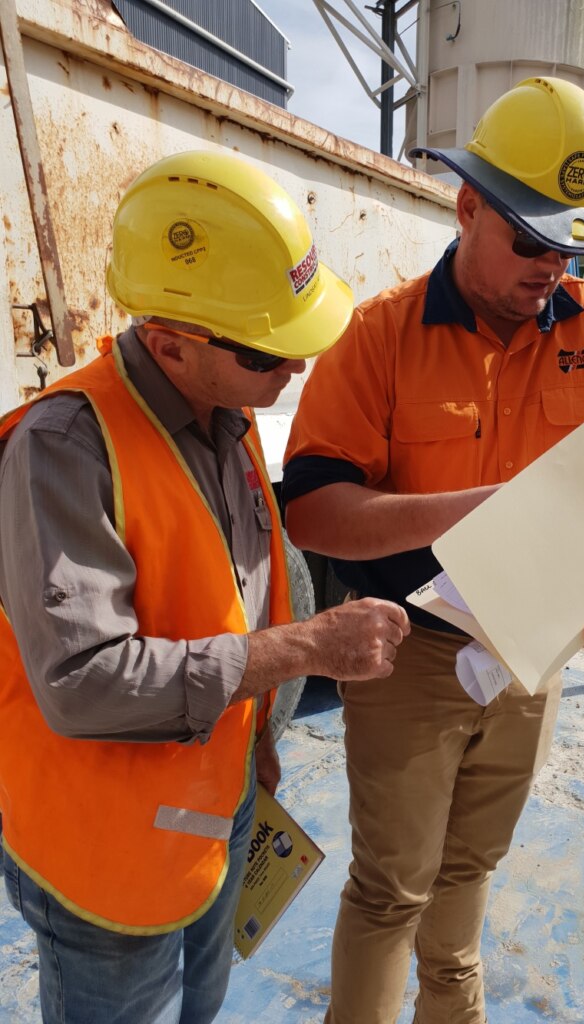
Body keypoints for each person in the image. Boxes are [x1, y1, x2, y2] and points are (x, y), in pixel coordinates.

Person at [281, 77, 584, 1024]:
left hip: (534, 647)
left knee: (471, 866)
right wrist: (473, 509)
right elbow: (313, 513)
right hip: (408, 650)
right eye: (529, 239)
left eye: (569, 242)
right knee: (393, 888)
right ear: (467, 207)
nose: (552, 264)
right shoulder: (379, 337)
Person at [0, 149, 409, 1024]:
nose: (292, 371)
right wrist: (306, 649)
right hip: (103, 855)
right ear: (172, 343)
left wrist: (261, 740)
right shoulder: (64, 447)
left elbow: (237, 595)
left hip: (212, 812)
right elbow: (81, 683)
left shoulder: (227, 420)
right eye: (271, 352)